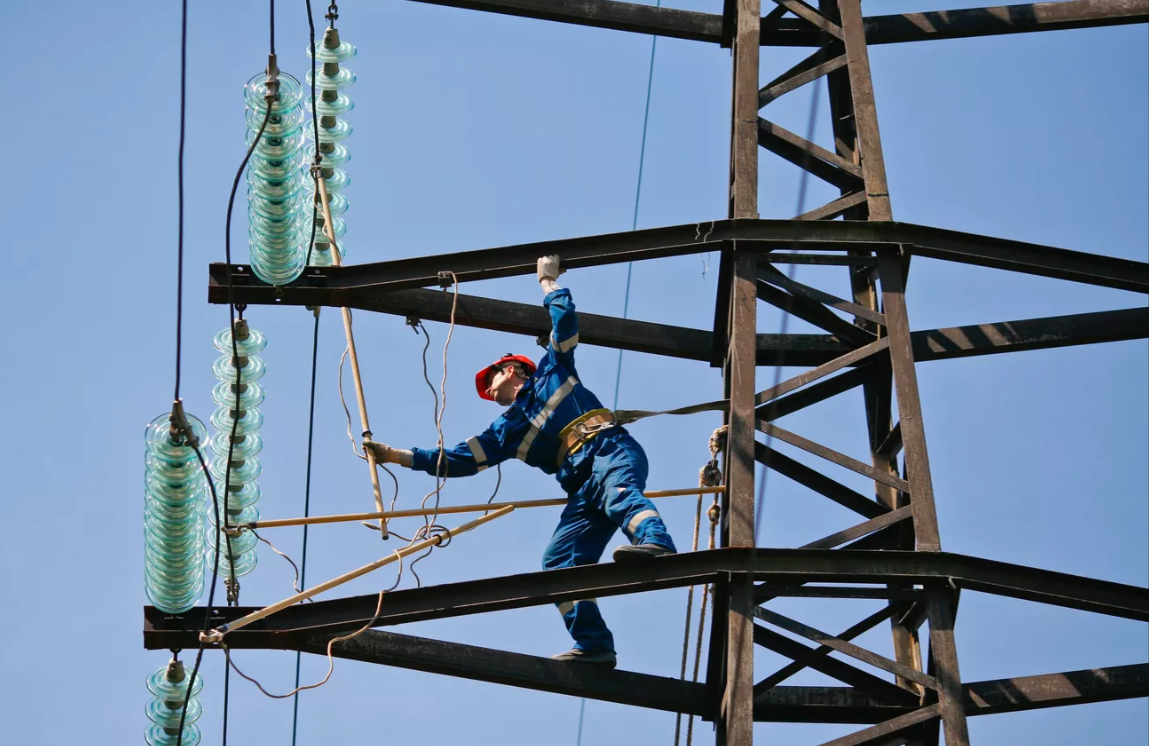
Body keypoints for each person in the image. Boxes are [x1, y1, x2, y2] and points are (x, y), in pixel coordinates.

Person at [367, 254, 677, 668]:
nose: (487, 388)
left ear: (513, 370)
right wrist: (398, 457)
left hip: (607, 450)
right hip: (581, 486)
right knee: (558, 563)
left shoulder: (553, 371)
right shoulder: (507, 430)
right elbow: (459, 460)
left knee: (619, 493)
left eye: (491, 378)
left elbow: (565, 321)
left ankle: (656, 542)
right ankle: (595, 645)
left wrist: (547, 282)